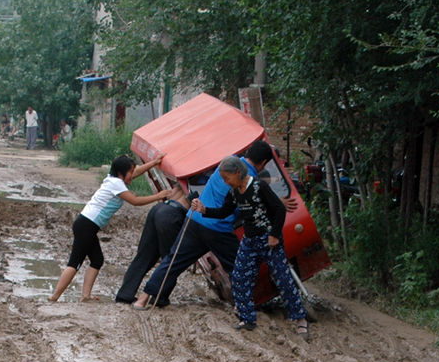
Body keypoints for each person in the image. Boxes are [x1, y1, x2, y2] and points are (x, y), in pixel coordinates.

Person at [131, 139, 294, 310]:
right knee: (240, 266)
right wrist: (277, 203)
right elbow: (251, 207)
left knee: (173, 261)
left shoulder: (228, 162)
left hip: (194, 220)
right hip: (218, 229)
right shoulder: (248, 179)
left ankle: (142, 299)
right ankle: (245, 306)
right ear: (263, 163)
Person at [190, 155, 308, 336]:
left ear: (237, 172)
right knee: (239, 277)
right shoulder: (234, 192)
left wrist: (275, 235)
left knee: (283, 278)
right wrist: (204, 210)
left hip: (269, 240)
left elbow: (278, 209)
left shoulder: (259, 187)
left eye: (226, 177)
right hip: (249, 241)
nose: (225, 182)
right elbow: (224, 212)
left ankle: (300, 318)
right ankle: (247, 318)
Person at [49, 154, 170, 302]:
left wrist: (153, 163)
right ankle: (54, 297)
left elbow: (136, 172)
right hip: (86, 225)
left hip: (87, 224)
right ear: (121, 173)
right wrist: (159, 196)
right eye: (130, 172)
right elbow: (135, 201)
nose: (133, 174)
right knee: (74, 263)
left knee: (97, 260)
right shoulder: (116, 184)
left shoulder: (114, 180)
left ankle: (85, 296)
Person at [115, 183, 192, 305]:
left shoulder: (185, 177)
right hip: (173, 214)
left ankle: (125, 294)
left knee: (143, 256)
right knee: (170, 261)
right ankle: (159, 298)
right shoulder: (205, 179)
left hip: (159, 208)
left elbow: (172, 191)